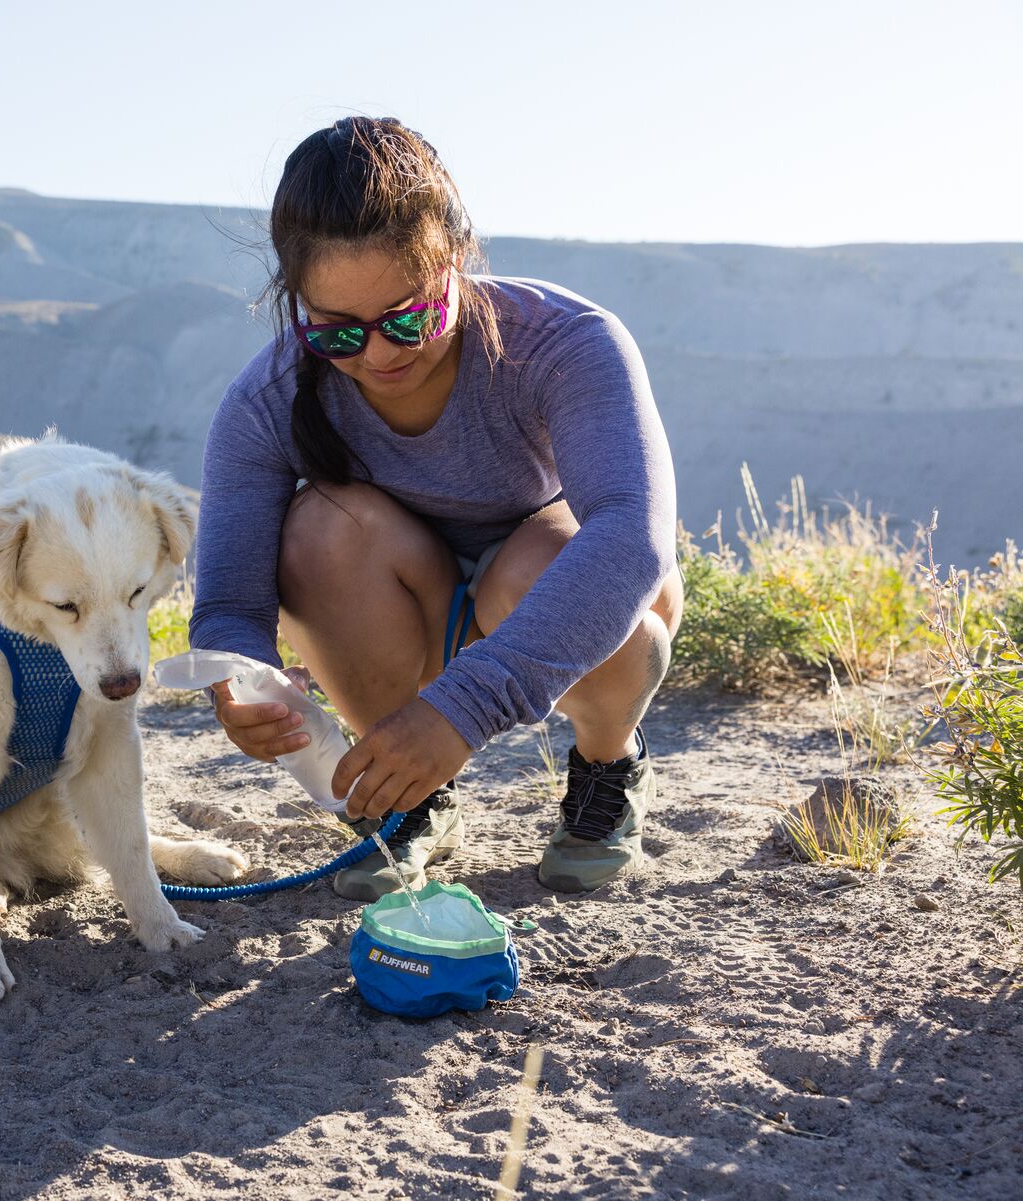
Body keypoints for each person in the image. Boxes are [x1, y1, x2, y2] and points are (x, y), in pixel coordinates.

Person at [189, 116, 681, 898]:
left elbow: (633, 538)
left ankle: (608, 761)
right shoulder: (266, 396)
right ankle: (414, 802)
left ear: (457, 260)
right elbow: (228, 600)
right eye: (336, 333)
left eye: (409, 318)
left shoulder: (567, 340)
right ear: (295, 303)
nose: (380, 353)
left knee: (550, 559)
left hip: (548, 597)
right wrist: (238, 682)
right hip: (402, 591)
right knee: (320, 528)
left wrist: (461, 711)